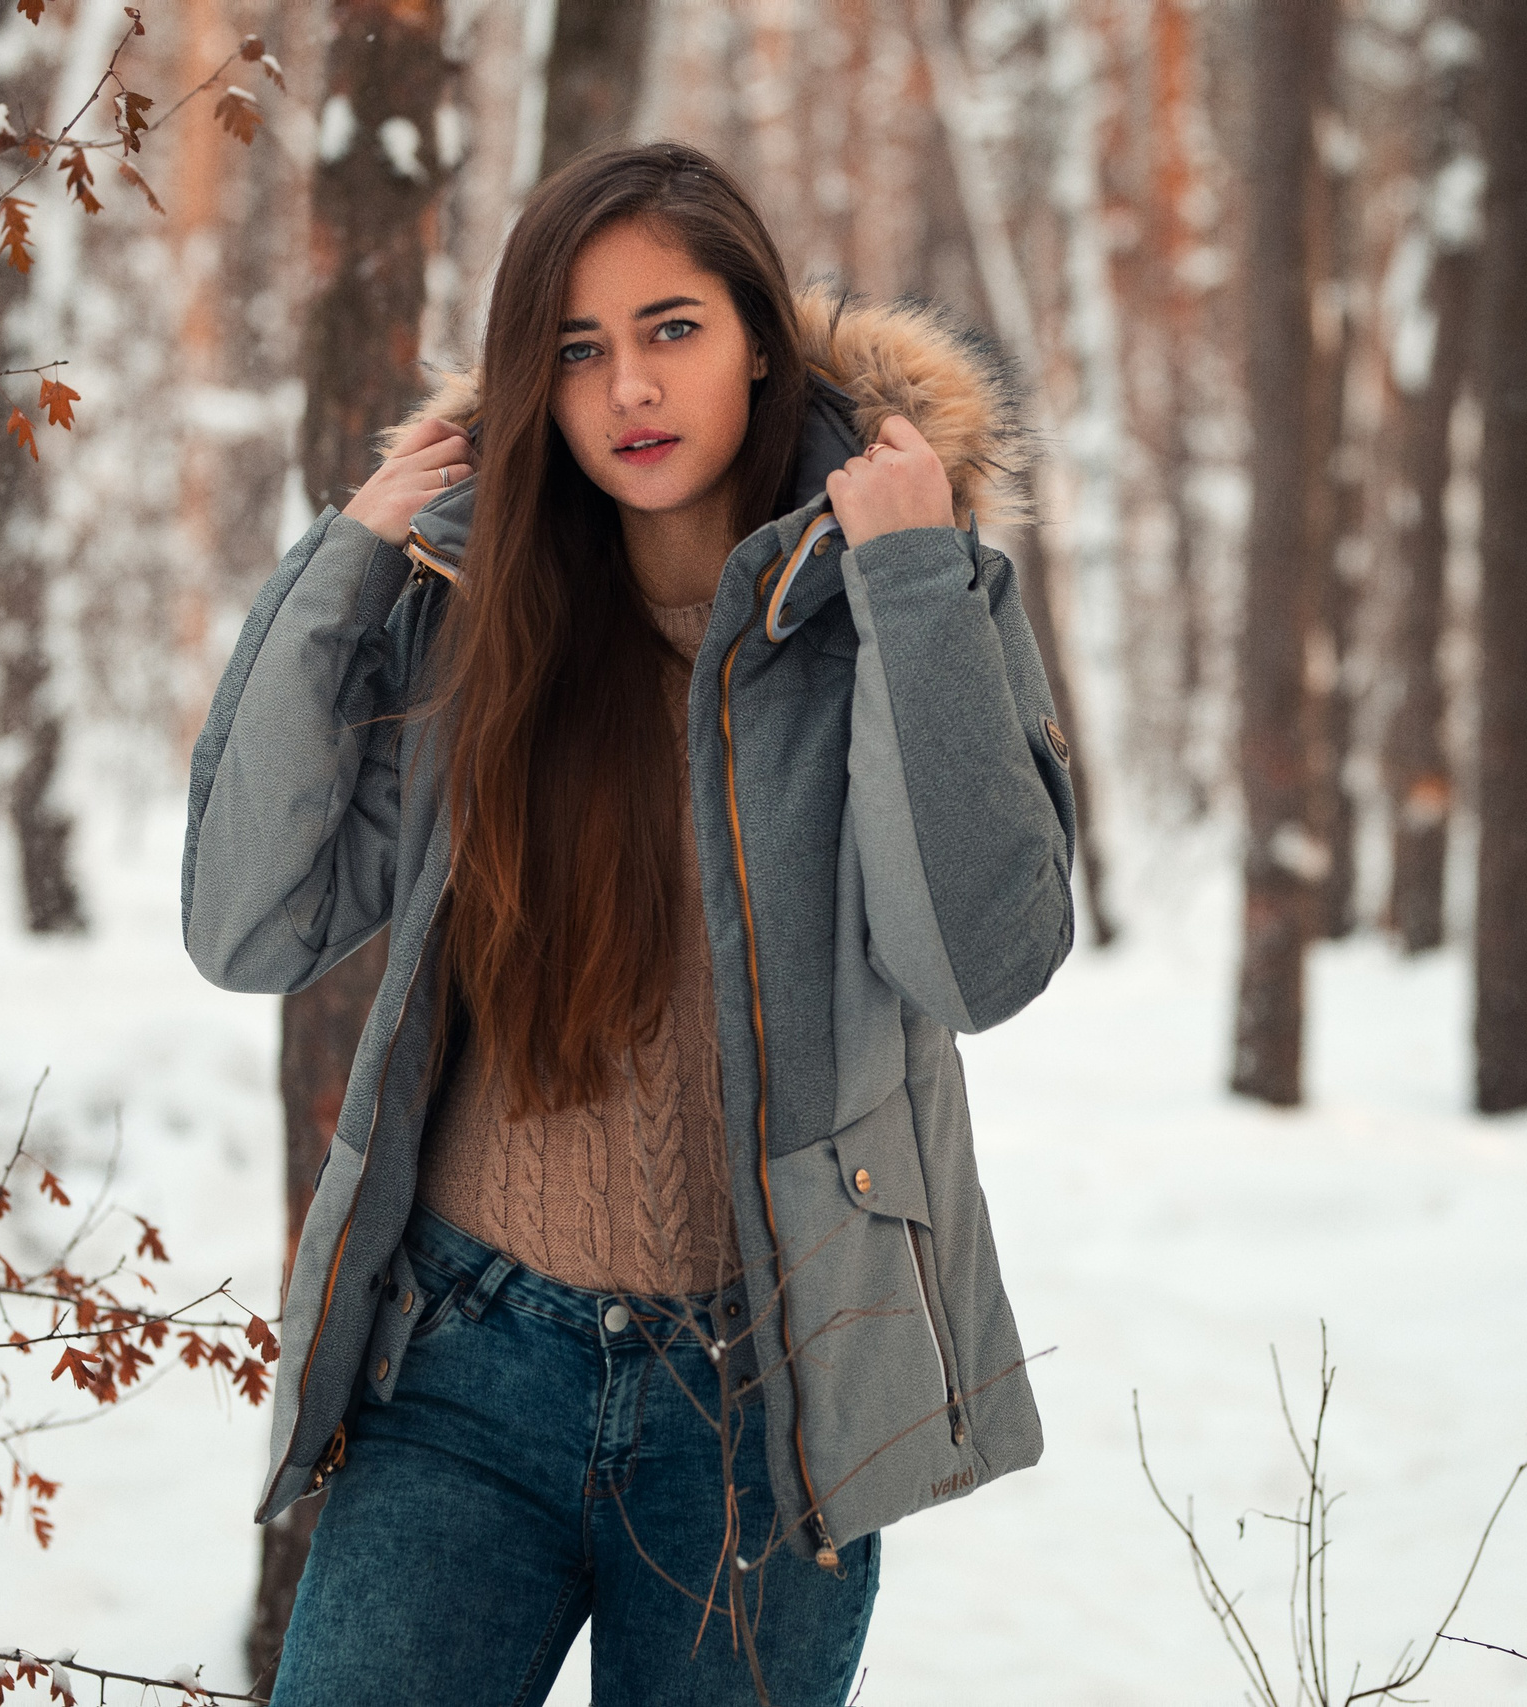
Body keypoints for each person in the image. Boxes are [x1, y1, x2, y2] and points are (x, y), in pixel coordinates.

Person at [182, 140, 1077, 1705]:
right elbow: (246, 928)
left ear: (758, 339)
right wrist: (343, 563)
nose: (626, 391)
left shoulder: (903, 599)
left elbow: (981, 963)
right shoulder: (475, 611)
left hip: (765, 1400)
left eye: (671, 329)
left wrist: (917, 582)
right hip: (463, 1371)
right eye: (577, 350)